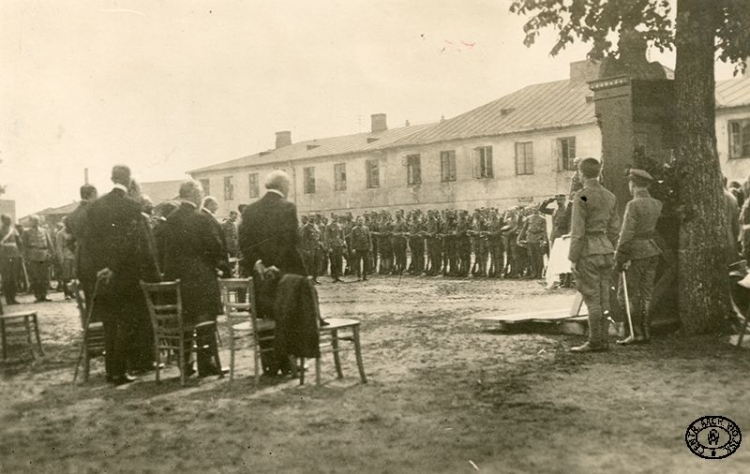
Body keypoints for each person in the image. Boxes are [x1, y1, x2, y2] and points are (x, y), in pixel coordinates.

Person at [84, 165, 160, 385]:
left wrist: (102, 267)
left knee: (110, 324)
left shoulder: (95, 206)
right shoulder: (132, 206)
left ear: (111, 179)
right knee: (127, 323)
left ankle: (111, 372)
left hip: (103, 276)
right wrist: (114, 267)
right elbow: (130, 243)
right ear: (128, 180)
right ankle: (121, 371)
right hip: (126, 276)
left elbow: (89, 242)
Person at [238, 171, 306, 375]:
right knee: (289, 316)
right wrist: (275, 265)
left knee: (265, 316)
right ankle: (289, 363)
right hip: (285, 274)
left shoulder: (250, 210)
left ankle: (269, 364)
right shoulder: (287, 207)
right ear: (284, 186)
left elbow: (244, 242)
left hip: (260, 274)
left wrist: (259, 262)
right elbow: (291, 240)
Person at [163, 180, 225, 378]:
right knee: (206, 321)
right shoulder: (202, 219)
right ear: (197, 196)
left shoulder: (169, 220)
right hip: (202, 281)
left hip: (177, 284)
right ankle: (206, 364)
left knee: (185, 322)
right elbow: (216, 249)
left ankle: (185, 364)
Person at [568, 157, 620, 353]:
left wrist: (573, 258)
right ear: (598, 173)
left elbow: (578, 232)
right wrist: (613, 249)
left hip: (588, 251)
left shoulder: (582, 197)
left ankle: (595, 341)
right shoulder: (610, 196)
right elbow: (615, 229)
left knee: (592, 297)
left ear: (581, 174)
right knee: (605, 297)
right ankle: (604, 339)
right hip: (606, 250)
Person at [615, 169, 663, 345]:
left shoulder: (633, 205)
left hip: (636, 253)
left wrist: (620, 255)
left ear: (632, 184)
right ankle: (645, 332)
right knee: (646, 294)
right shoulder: (657, 203)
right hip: (652, 250)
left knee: (625, 294)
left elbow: (626, 233)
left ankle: (635, 333)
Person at [65, 184, 98, 308]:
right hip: (97, 258)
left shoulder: (71, 216)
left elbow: (68, 241)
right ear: (93, 193)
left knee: (89, 295)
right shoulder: (95, 210)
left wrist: (79, 251)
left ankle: (90, 323)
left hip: (81, 260)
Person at [22, 215, 54, 303]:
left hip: (44, 254)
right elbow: (24, 246)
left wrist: (52, 253)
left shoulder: (44, 230)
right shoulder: (26, 232)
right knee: (36, 277)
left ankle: (44, 295)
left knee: (45, 276)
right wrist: (26, 257)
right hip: (33, 256)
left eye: (37, 221)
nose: (36, 222)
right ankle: (38, 296)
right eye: (34, 221)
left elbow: (49, 242)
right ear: (30, 222)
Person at [0, 214, 22, 305]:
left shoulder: (14, 230)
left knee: (13, 277)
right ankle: (8, 298)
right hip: (4, 255)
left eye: (10, 219)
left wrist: (20, 253)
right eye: (7, 220)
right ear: (2, 220)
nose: (9, 221)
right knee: (6, 278)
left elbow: (18, 242)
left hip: (14, 255)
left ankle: (13, 297)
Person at [55, 218, 76, 300]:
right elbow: (59, 247)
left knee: (73, 276)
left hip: (73, 256)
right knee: (66, 276)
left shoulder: (74, 232)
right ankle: (67, 293)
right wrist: (61, 259)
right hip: (66, 256)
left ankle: (72, 292)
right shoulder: (60, 233)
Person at [325, 214, 346, 282]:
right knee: (333, 262)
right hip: (332, 246)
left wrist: (343, 242)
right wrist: (329, 247)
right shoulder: (329, 226)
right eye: (335, 217)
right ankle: (334, 276)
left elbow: (342, 235)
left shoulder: (340, 225)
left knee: (339, 260)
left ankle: (339, 276)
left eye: (337, 217)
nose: (336, 218)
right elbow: (327, 237)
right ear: (332, 218)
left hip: (339, 245)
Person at [350, 216, 373, 281]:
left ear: (364, 221)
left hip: (365, 248)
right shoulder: (354, 229)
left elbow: (369, 239)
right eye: (359, 220)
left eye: (362, 220)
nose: (361, 221)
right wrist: (353, 248)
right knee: (358, 263)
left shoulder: (366, 229)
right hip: (358, 248)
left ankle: (365, 275)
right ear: (357, 221)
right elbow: (352, 240)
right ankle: (359, 276)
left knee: (366, 262)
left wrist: (370, 247)